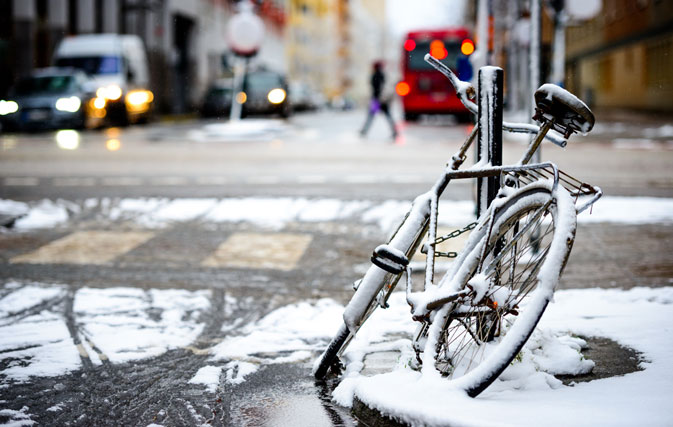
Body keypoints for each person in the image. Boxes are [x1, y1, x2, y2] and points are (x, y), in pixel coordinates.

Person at [360, 61, 398, 140]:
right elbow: (384, 86)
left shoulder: (375, 75)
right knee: (388, 116)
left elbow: (376, 88)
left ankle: (364, 131)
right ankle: (394, 132)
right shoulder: (382, 75)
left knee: (371, 116)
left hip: (377, 100)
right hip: (382, 100)